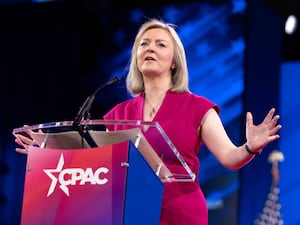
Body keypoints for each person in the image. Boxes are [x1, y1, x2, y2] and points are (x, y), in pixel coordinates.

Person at [102, 18, 281, 225]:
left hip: (181, 213)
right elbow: (104, 170)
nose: (150, 48)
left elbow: (230, 157)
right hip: (133, 214)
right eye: (144, 44)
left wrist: (249, 147)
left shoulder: (197, 107)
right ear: (136, 57)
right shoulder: (117, 114)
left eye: (160, 44)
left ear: (174, 61)